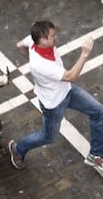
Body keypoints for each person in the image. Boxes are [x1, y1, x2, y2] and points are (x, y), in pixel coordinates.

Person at [8, 21, 103, 174]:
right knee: (48, 137)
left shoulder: (33, 40)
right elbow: (71, 76)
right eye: (52, 36)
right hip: (54, 104)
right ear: (42, 40)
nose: (56, 37)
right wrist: (84, 54)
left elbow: (20, 45)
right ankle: (17, 149)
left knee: (99, 112)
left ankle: (96, 155)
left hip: (68, 91)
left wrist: (27, 55)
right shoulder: (42, 65)